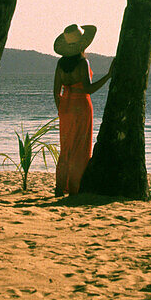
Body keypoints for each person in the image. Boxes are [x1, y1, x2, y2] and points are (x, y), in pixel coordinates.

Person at [52, 23, 111, 196]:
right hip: (81, 106)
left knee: (66, 147)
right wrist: (108, 76)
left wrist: (61, 109)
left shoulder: (60, 64)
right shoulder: (82, 62)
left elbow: (56, 91)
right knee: (80, 147)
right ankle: (74, 188)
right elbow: (88, 88)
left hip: (65, 106)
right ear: (82, 44)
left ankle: (59, 186)